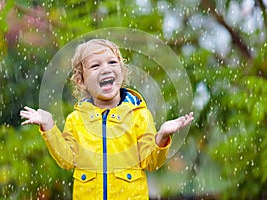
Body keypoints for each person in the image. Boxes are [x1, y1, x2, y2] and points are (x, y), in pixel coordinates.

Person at [20, 39, 193, 199]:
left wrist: (161, 136)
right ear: (81, 81)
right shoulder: (76, 120)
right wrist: (49, 126)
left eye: (112, 62)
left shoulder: (139, 115)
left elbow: (151, 161)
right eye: (95, 66)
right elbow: (67, 160)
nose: (105, 69)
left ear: (121, 72)